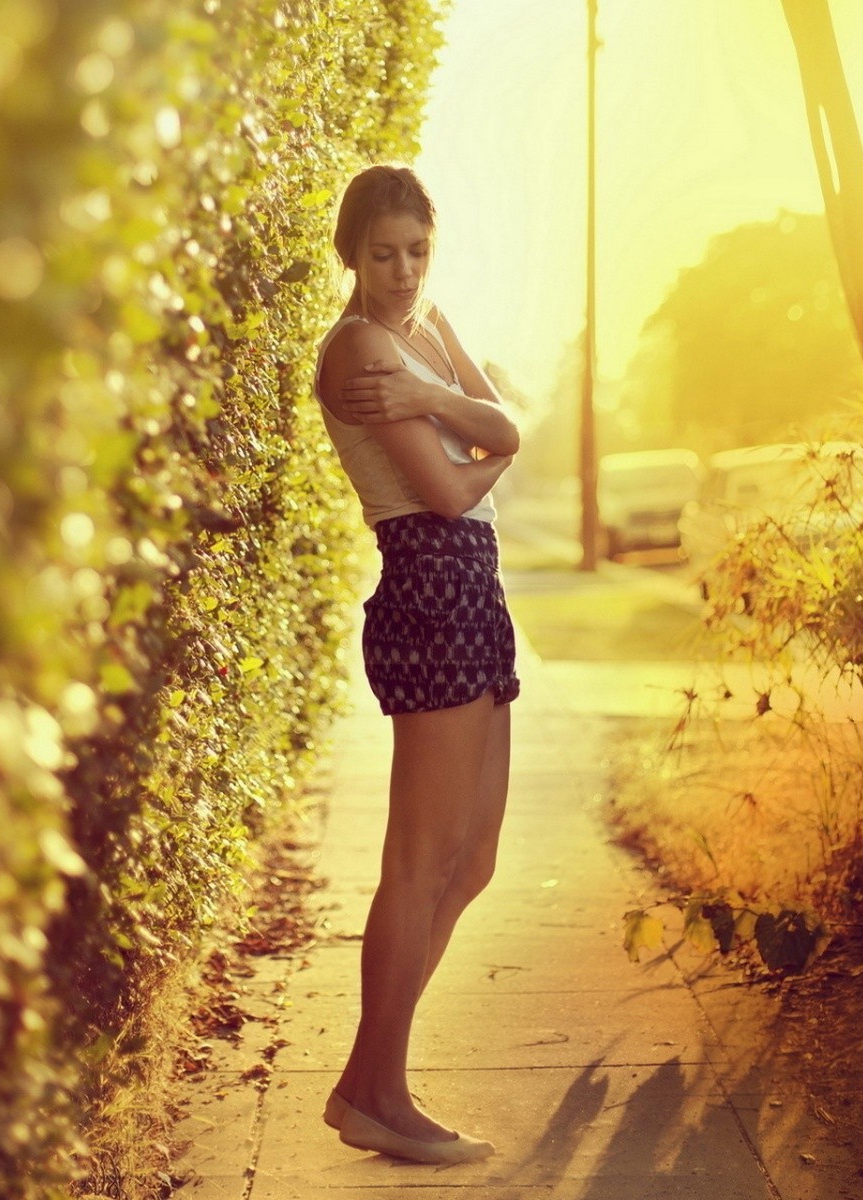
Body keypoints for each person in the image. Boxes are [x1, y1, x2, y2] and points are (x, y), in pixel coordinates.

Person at [309, 164, 522, 1165]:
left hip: (477, 589)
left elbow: (507, 427)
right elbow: (446, 492)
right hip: (430, 589)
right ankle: (380, 1092)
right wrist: (476, 445)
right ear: (351, 255)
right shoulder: (358, 349)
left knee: (470, 861)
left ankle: (367, 1082)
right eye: (383, 253)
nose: (401, 272)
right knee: (419, 861)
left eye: (417, 252)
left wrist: (449, 402)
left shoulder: (426, 333)